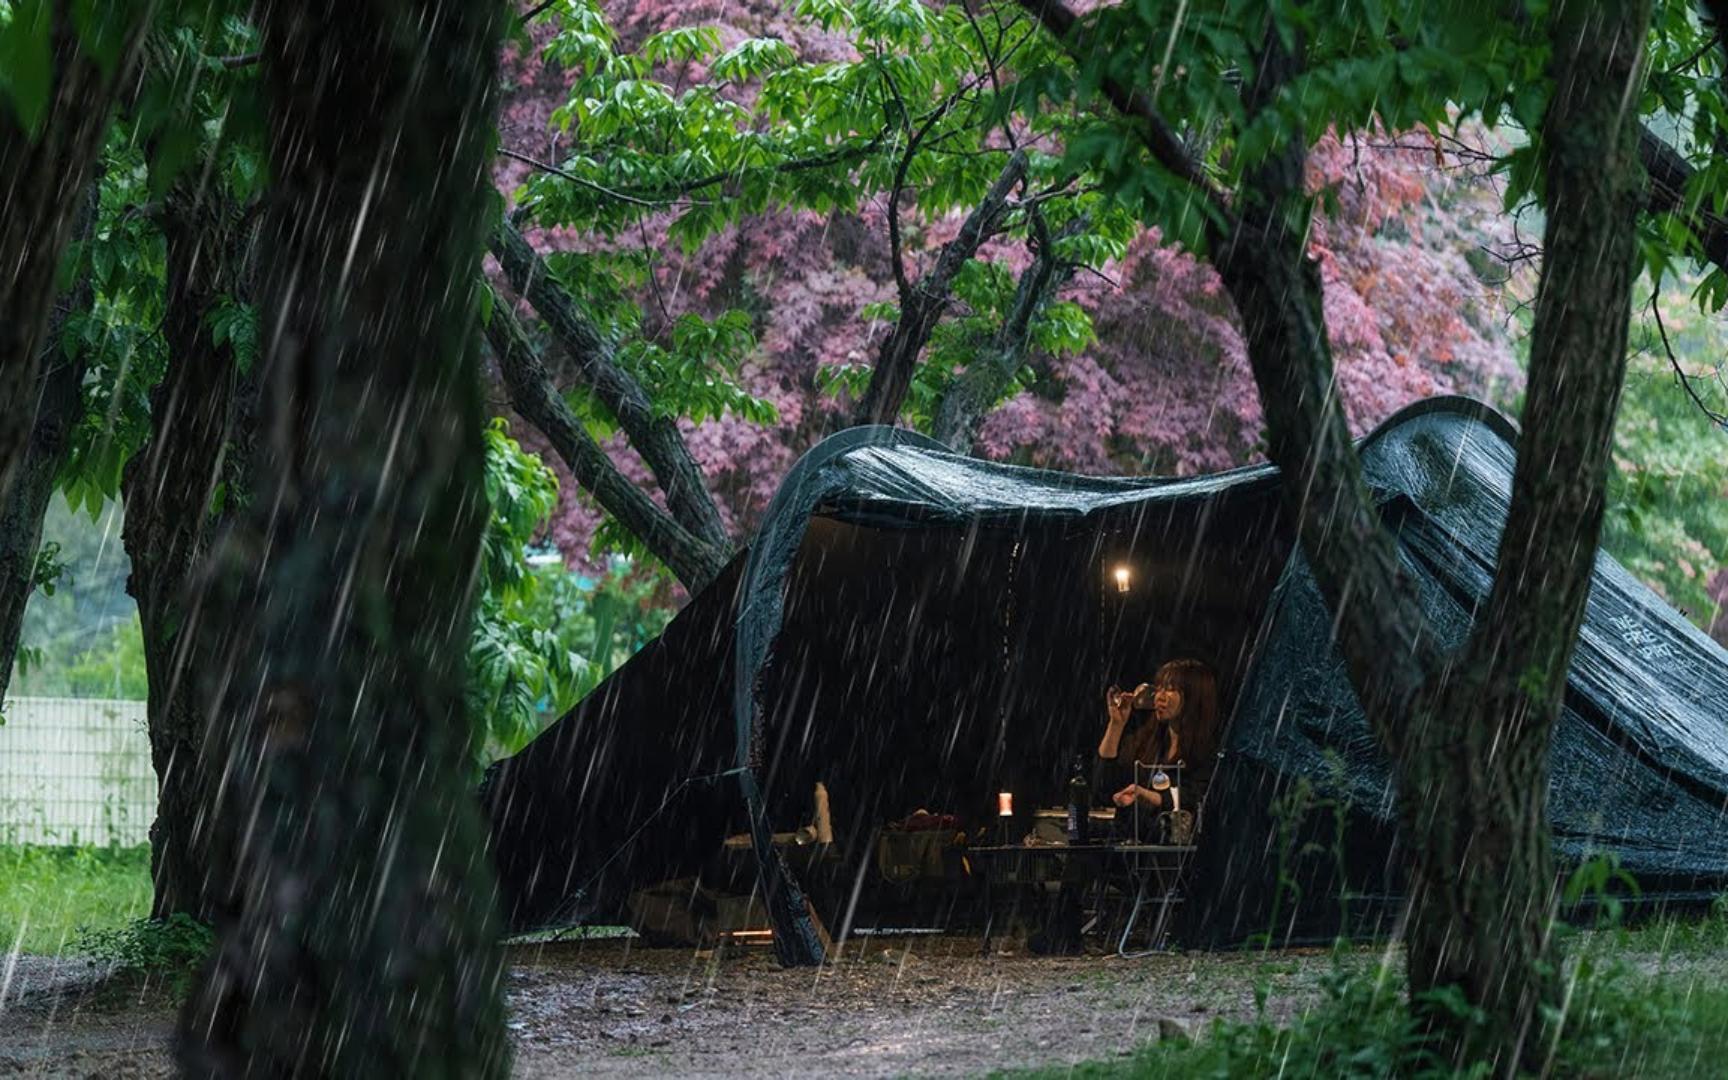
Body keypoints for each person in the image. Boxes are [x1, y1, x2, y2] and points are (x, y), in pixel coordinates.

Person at [1097, 658, 1220, 815]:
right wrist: (1116, 725)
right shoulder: (1148, 739)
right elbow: (1105, 786)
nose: (1159, 697)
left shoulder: (1208, 750)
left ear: (1193, 697)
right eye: (1159, 688)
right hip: (1131, 837)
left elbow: (1196, 798)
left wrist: (1148, 796)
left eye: (1169, 689)